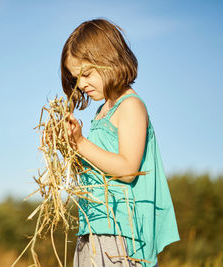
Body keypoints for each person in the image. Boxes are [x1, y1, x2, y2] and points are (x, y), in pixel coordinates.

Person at [60, 18, 180, 267]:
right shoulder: (103, 111)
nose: (81, 84)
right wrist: (68, 146)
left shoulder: (131, 106)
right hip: (93, 226)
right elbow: (101, 169)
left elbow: (127, 169)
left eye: (87, 74)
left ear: (109, 60)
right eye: (76, 78)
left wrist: (81, 143)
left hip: (120, 233)